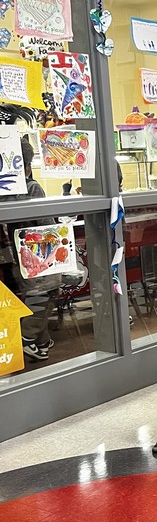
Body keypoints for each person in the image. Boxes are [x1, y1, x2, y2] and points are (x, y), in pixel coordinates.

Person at [0, 138, 60, 362]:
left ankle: (40, 343)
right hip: (37, 256)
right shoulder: (32, 188)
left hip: (12, 257)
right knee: (47, 292)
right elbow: (47, 224)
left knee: (35, 295)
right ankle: (25, 338)